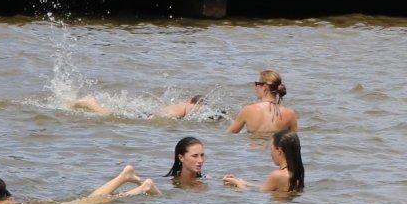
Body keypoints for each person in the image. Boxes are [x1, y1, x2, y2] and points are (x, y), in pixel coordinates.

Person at [0, 163, 158, 204]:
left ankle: (140, 187)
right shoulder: (4, 202)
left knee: (100, 200)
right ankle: (125, 177)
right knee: (96, 199)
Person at [224, 131, 304, 194]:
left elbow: (254, 195)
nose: (271, 153)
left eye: (271, 149)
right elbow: (267, 188)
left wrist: (238, 184)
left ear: (279, 151)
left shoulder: (277, 175)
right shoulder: (296, 173)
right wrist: (242, 182)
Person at [228, 70, 297, 135]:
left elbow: (229, 135)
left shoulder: (247, 110)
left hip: (255, 147)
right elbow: (294, 141)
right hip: (276, 147)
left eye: (257, 84)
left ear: (264, 87)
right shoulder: (290, 114)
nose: (256, 87)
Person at [69, 92, 204, 119]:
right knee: (112, 116)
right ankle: (91, 103)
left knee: (118, 113)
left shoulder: (180, 104)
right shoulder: (193, 106)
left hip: (150, 112)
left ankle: (90, 102)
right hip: (152, 116)